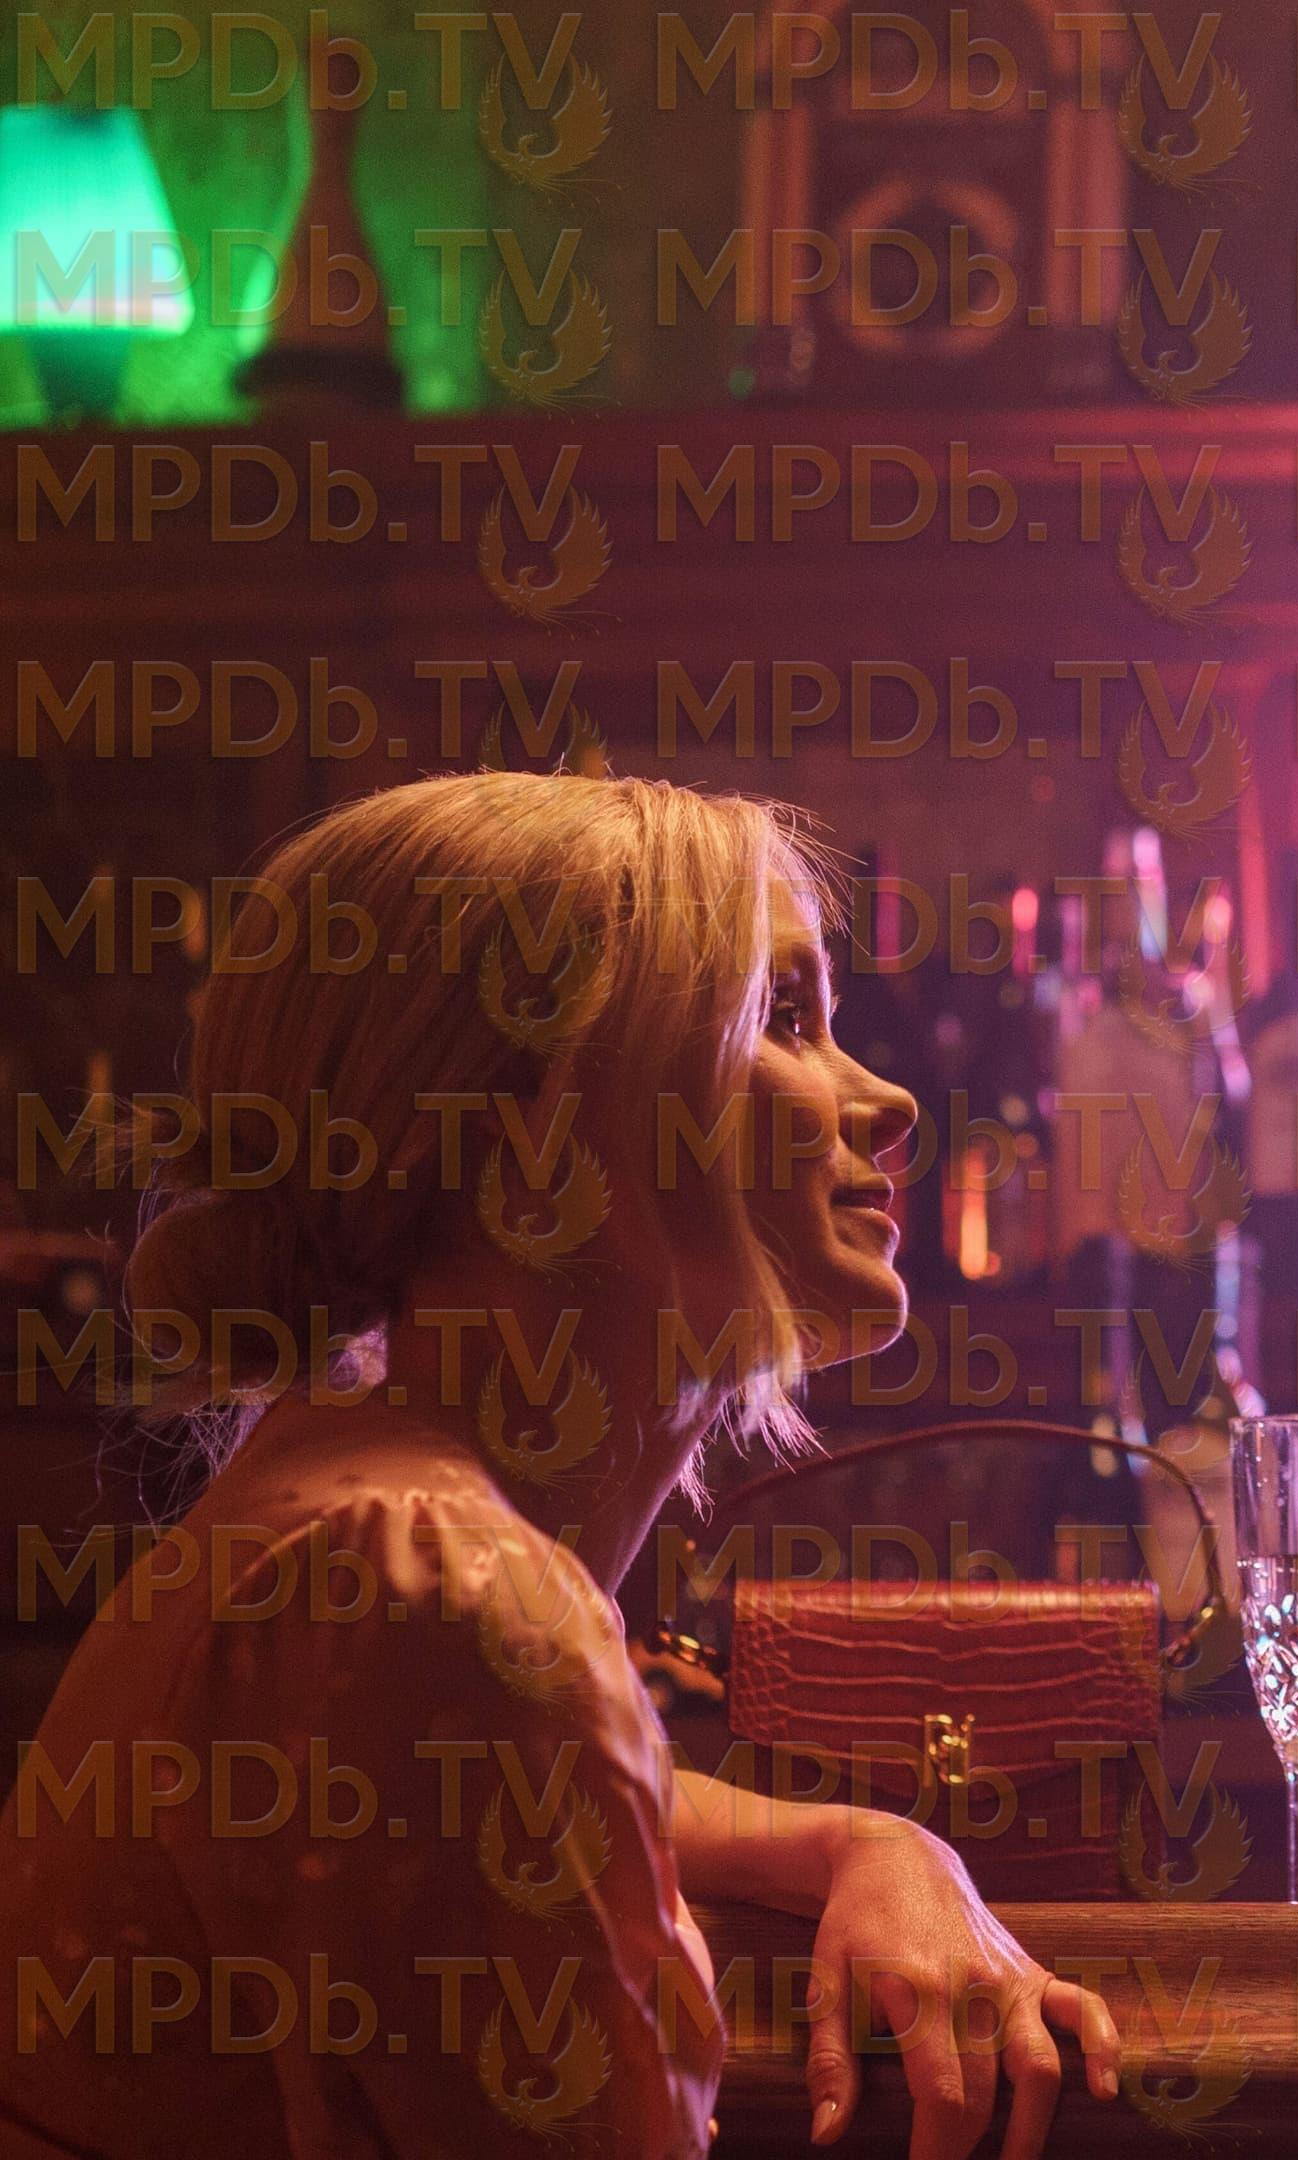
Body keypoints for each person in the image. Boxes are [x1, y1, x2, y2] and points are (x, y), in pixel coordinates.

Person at [0, 772, 1122, 2157]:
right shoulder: (439, 1589)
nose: (885, 1101)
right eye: (783, 1019)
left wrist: (870, 1841)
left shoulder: (357, 1491)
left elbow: (536, 1779)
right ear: (534, 1128)